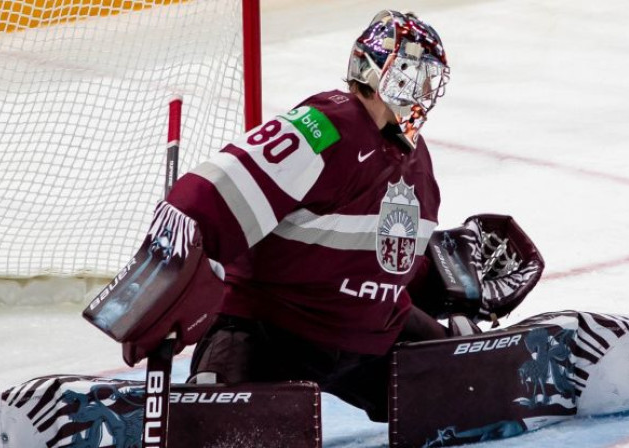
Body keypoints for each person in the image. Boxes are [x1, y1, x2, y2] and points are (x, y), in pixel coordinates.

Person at [161, 10, 450, 422]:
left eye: (427, 79)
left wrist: (444, 284)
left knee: (463, 385)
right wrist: (163, 278)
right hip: (274, 332)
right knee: (224, 427)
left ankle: (459, 339)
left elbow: (379, 260)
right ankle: (211, 391)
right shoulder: (326, 124)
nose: (421, 90)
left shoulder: (418, 160)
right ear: (372, 70)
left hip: (370, 336)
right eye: (410, 73)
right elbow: (207, 194)